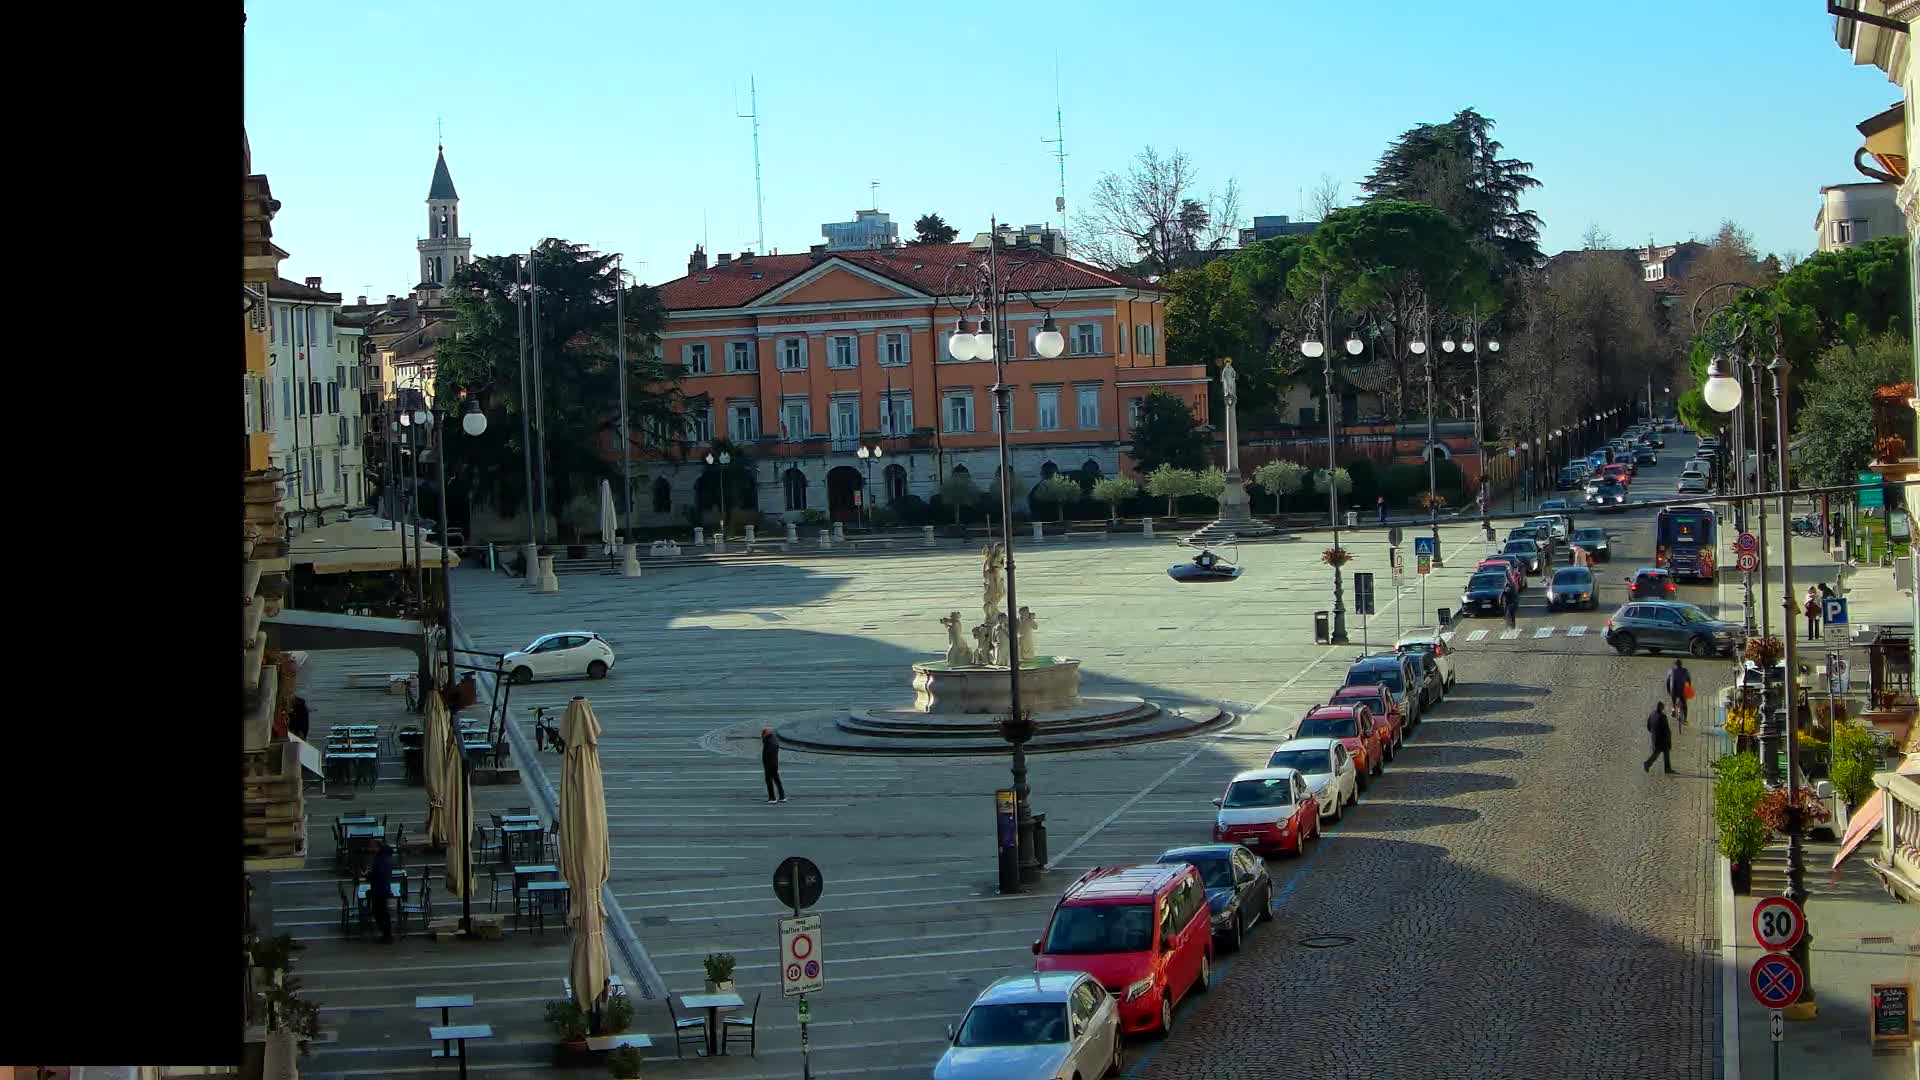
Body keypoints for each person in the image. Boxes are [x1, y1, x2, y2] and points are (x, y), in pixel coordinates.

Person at [366, 837, 395, 943]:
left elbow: (379, 875)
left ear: (377, 847)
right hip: (381, 888)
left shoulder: (382, 859)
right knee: (381, 913)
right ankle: (387, 935)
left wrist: (369, 876)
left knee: (380, 913)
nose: (370, 849)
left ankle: (387, 935)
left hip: (380, 890)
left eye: (372, 846)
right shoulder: (383, 857)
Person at [1644, 702, 1675, 774]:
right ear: (1661, 708)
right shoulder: (1663, 717)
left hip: (1655, 738)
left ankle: (1667, 769)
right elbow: (1666, 729)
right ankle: (1647, 764)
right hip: (1662, 740)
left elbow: (1648, 726)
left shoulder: (1652, 714)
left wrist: (1653, 733)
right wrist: (1668, 738)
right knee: (1659, 753)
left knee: (1658, 753)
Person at [761, 727, 787, 804]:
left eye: (763, 733)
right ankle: (782, 796)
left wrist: (768, 764)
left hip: (769, 764)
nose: (762, 735)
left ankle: (772, 798)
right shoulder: (773, 740)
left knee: (769, 780)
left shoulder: (769, 741)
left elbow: (768, 754)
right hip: (774, 763)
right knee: (776, 779)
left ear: (766, 733)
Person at [1664, 659, 1692, 727]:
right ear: (1681, 664)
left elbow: (1667, 682)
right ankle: (1685, 720)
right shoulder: (1685, 670)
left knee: (1673, 700)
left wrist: (1668, 691)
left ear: (1675, 665)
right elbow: (1689, 681)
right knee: (1684, 706)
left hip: (1673, 691)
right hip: (1682, 691)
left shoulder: (1671, 671)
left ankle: (1673, 709)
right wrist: (1689, 688)